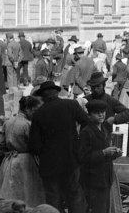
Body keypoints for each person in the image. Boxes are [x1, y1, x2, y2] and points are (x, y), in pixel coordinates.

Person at [29, 81, 89, 213]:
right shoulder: (71, 105)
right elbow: (86, 122)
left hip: (49, 163)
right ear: (57, 93)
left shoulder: (38, 114)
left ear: (42, 96)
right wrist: (78, 142)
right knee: (74, 195)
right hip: (71, 159)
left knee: (53, 197)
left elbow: (34, 146)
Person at [0, 96, 44, 207]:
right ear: (28, 109)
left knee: (11, 190)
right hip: (26, 160)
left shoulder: (8, 122)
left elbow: (1, 143)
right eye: (34, 111)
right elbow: (34, 144)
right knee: (27, 191)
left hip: (9, 160)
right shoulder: (27, 124)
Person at [79, 99, 123, 213]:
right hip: (93, 180)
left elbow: (104, 154)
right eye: (97, 112)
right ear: (89, 115)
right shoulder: (86, 132)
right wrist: (104, 152)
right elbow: (83, 158)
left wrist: (114, 153)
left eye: (103, 112)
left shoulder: (104, 129)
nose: (101, 115)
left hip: (105, 179)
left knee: (104, 209)